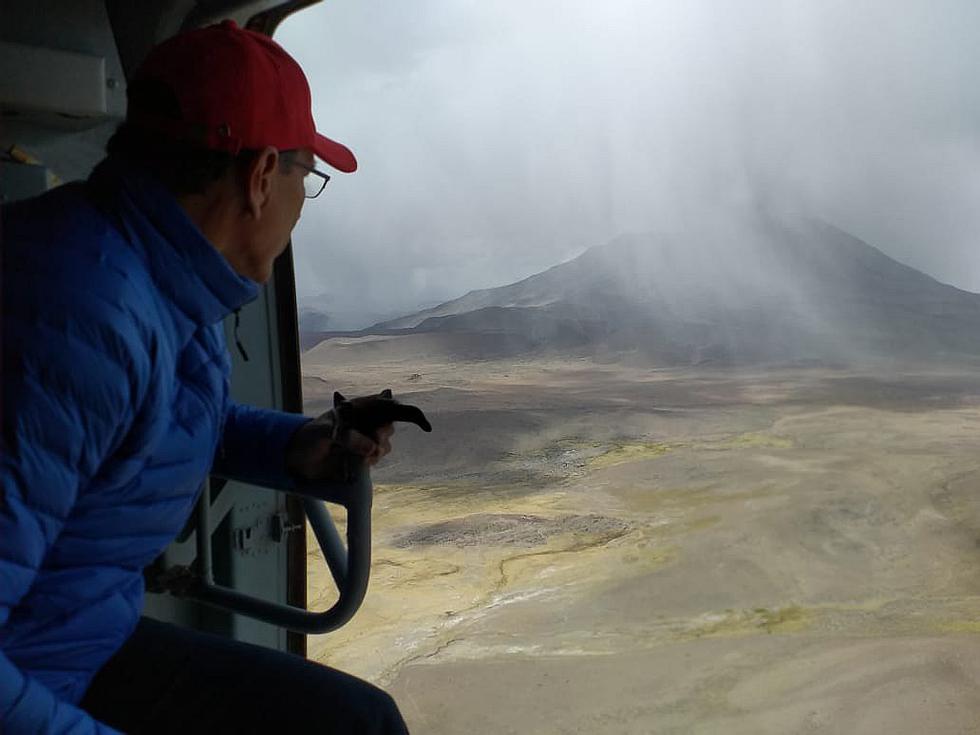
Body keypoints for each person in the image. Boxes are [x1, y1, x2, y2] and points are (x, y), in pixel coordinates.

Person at [0, 20, 409, 734]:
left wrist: (296, 445)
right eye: (304, 178)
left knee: (359, 723)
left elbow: (154, 420)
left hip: (76, 637)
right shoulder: (80, 318)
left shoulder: (153, 271)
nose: (297, 206)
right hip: (36, 665)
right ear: (258, 180)